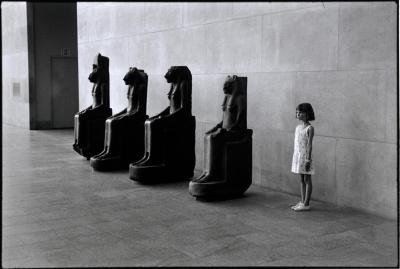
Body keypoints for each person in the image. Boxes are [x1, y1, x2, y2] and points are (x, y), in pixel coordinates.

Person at [291, 103, 315, 211]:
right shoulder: (298, 127)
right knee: (301, 179)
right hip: (298, 157)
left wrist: (308, 159)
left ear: (307, 113)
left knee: (307, 179)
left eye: (300, 112)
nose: (297, 114)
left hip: (305, 157)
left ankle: (306, 203)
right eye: (297, 112)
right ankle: (302, 201)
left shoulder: (310, 128)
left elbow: (309, 145)